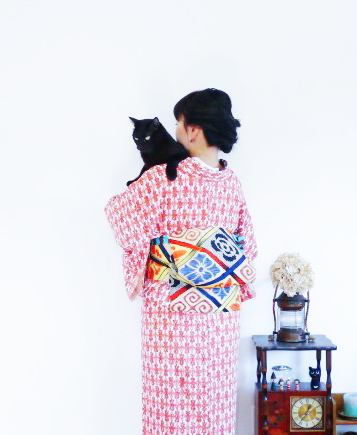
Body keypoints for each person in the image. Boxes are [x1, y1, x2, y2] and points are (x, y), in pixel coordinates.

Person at [105, 88, 258, 434]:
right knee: (213, 405)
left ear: (193, 130)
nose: (174, 131)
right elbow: (246, 246)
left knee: (170, 409)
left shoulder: (162, 177)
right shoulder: (232, 184)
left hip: (170, 318)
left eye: (178, 123)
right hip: (220, 317)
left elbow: (119, 216)